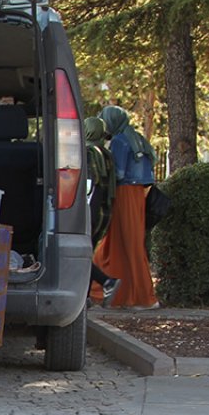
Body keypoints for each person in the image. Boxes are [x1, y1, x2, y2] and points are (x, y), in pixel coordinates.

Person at [92, 105, 159, 309]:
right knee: (130, 242)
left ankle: (136, 296)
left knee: (124, 243)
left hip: (124, 194)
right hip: (138, 194)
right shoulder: (137, 138)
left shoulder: (120, 141)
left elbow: (119, 172)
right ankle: (131, 294)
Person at [84, 117, 120, 307]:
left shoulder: (89, 153)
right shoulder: (106, 154)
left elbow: (90, 186)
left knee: (81, 255)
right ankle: (86, 297)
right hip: (104, 211)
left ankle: (106, 281)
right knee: (87, 252)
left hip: (90, 211)